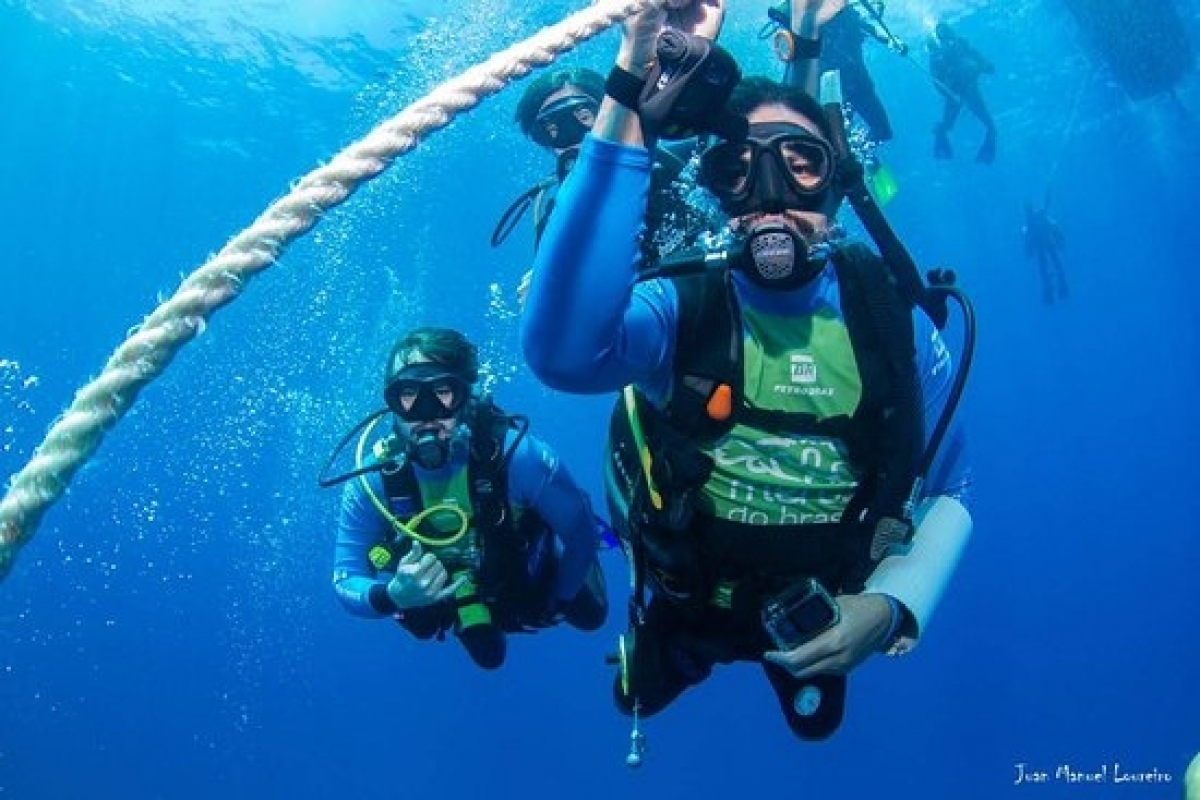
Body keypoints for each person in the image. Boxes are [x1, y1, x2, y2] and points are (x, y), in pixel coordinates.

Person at [521, 0, 973, 743]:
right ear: (715, 191)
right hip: (683, 599)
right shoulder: (680, 308)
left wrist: (889, 607)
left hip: (821, 603)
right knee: (640, 689)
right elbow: (563, 353)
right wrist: (632, 82)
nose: (771, 196)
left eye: (801, 167)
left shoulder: (894, 326)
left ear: (833, 184)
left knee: (810, 697)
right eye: (738, 171)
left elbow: (954, 484)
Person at [329, 327, 608, 670]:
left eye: (444, 392)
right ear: (392, 404)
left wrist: (559, 599)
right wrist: (393, 596)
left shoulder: (520, 458)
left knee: (592, 616)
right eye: (409, 395)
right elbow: (346, 578)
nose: (427, 414)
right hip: (457, 587)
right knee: (489, 658)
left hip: (529, 562)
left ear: (466, 398)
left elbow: (580, 536)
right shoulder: (372, 482)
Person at [500, 66, 713, 265]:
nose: (575, 139)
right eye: (552, 131)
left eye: (584, 117)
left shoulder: (688, 162)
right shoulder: (557, 220)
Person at [928, 21, 997, 164]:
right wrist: (949, 93)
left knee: (988, 125)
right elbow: (936, 80)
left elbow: (981, 61)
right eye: (943, 33)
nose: (946, 36)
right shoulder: (938, 54)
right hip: (956, 93)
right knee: (949, 125)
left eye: (946, 31)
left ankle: (985, 151)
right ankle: (941, 142)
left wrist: (984, 66)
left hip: (966, 90)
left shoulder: (961, 45)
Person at [1023, 197, 1067, 304]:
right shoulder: (1031, 223)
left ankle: (1054, 283)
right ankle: (1055, 283)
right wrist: (1059, 239)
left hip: (1045, 245)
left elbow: (1052, 225)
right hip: (1045, 245)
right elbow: (1053, 225)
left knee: (1048, 266)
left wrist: (1029, 251)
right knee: (1050, 265)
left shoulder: (1031, 222)